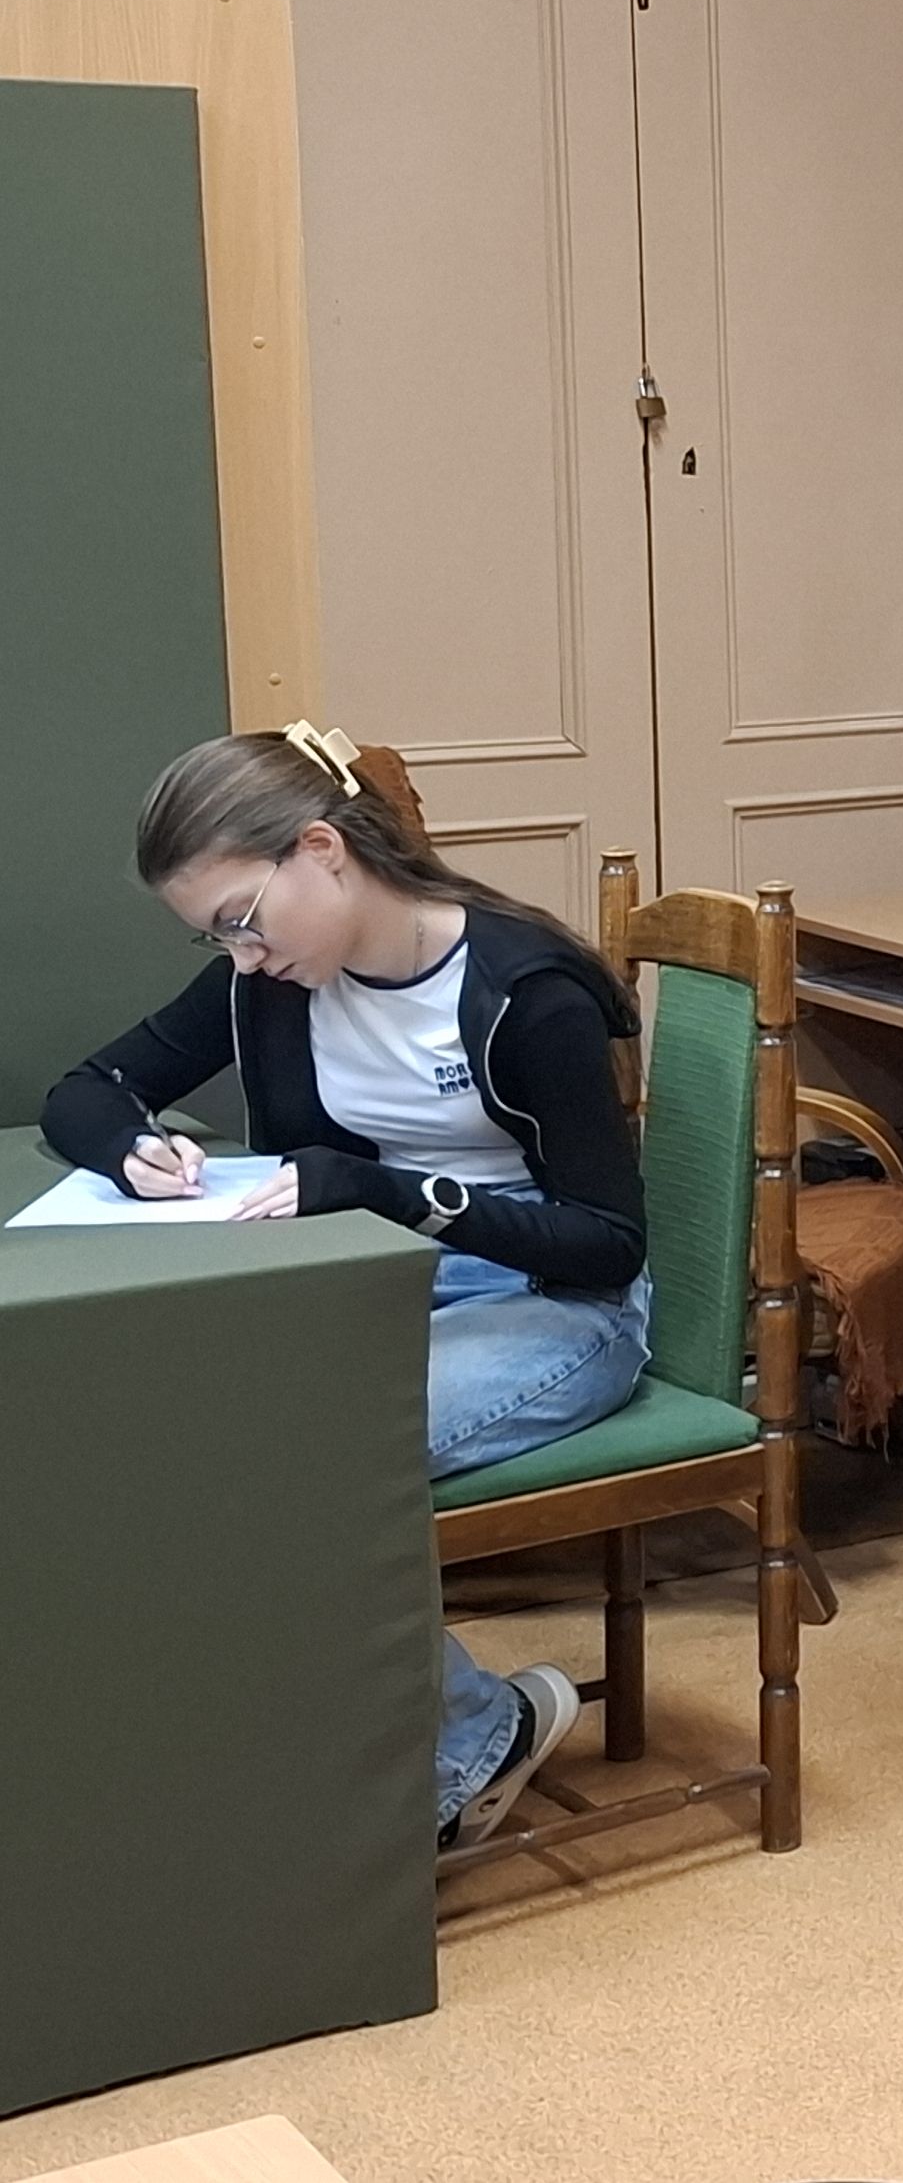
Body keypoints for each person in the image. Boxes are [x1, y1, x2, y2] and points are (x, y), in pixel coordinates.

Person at [42, 724, 655, 1850]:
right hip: (376, 1287)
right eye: (214, 935)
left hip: (555, 1304)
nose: (239, 956)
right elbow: (84, 1090)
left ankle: (468, 1745)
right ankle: (301, 1744)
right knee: (162, 1431)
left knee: (308, 1460)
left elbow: (608, 1244)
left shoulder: (523, 991)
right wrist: (129, 1147)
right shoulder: (272, 982)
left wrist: (393, 1193)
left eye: (241, 919)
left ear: (320, 850)